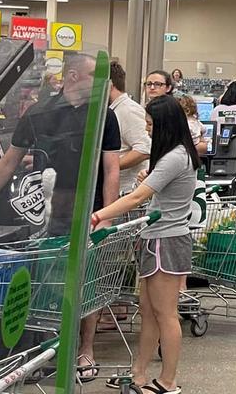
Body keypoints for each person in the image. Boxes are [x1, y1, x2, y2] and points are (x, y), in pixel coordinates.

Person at [0, 52, 123, 381]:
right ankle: (52, 347)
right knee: (50, 283)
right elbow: (8, 162)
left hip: (90, 210)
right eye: (94, 77)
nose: (102, 85)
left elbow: (110, 167)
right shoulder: (41, 112)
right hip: (47, 210)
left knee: (88, 281)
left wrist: (107, 216)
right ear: (73, 76)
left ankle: (85, 348)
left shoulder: (103, 115)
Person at [92, 95, 200, 394]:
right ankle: (138, 373)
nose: (148, 130)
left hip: (166, 241)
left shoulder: (175, 156)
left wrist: (100, 214)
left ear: (165, 124)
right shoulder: (173, 155)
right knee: (149, 310)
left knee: (166, 313)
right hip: (157, 240)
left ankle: (168, 382)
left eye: (151, 124)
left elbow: (137, 198)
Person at [109, 61, 150, 195]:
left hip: (127, 191)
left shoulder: (128, 110)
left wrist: (109, 167)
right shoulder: (114, 109)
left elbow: (144, 148)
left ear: (109, 85)